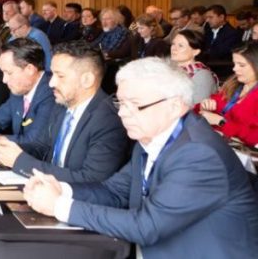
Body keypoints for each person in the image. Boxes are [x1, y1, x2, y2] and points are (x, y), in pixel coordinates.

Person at [23, 57, 258, 259]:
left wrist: (59, 206)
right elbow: (115, 191)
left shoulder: (198, 154)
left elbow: (147, 226)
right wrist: (63, 190)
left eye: (136, 105)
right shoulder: (151, 136)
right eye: (121, 103)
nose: (123, 113)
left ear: (175, 106)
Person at [0, 41, 129, 183]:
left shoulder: (109, 120)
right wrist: (9, 147)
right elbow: (42, 146)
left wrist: (21, 162)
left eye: (60, 76)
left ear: (87, 80)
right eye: (52, 74)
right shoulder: (61, 106)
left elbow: (91, 180)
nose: (51, 83)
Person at [197, 42, 258, 146]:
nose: (234, 69)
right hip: (215, 142)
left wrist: (221, 122)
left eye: (241, 65)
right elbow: (200, 109)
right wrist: (204, 106)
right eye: (235, 64)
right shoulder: (234, 84)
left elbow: (254, 137)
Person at [169, 30, 218, 105]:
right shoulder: (169, 69)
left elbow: (197, 108)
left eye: (180, 46)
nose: (173, 48)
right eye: (173, 44)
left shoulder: (202, 75)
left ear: (195, 52)